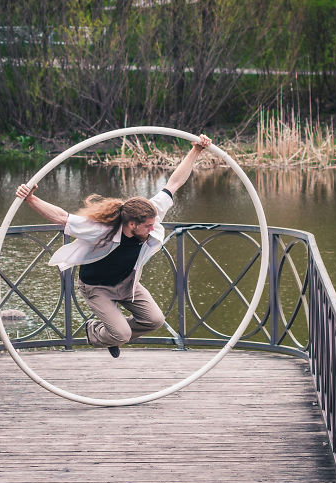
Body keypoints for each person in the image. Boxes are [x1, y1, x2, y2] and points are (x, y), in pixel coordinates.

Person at [15, 134, 212, 358]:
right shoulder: (101, 229)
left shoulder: (151, 212)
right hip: (97, 287)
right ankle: (98, 331)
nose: (152, 229)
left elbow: (174, 183)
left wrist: (196, 150)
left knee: (154, 320)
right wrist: (30, 198)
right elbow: (62, 217)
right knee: (121, 334)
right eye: (147, 226)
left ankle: (114, 332)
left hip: (127, 282)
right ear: (131, 224)